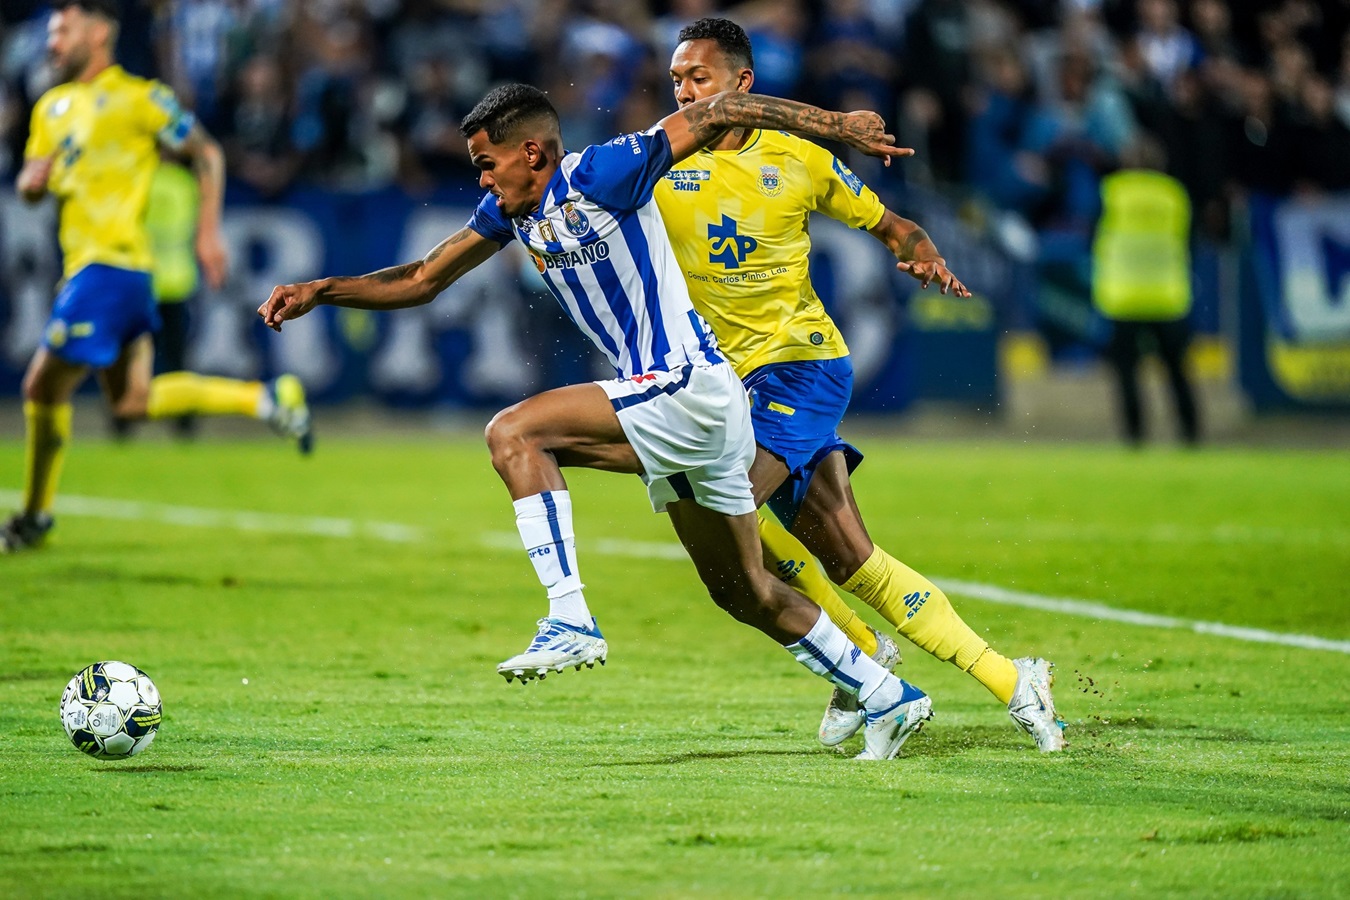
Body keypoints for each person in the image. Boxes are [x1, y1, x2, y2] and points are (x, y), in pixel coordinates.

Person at [260, 82, 934, 760]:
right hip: (691, 410)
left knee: (514, 432)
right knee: (744, 590)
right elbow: (422, 279)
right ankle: (886, 695)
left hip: (686, 385)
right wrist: (322, 290)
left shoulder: (602, 173)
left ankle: (569, 615)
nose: (483, 180)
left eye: (487, 164)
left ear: (532, 152)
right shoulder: (510, 212)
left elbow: (722, 109)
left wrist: (835, 124)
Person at [654, 18, 1066, 752]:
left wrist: (922, 250)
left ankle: (861, 664)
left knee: (725, 510)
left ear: (742, 84)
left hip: (800, 365)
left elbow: (894, 225)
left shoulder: (798, 159)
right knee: (853, 559)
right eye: (677, 79)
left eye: (699, 78)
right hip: (727, 384)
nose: (685, 92)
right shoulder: (659, 160)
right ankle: (1012, 678)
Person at [3, 0, 313, 554]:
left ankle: (33, 516)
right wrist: (31, 182)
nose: (52, 43)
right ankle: (265, 400)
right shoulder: (50, 106)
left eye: (63, 30)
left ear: (99, 33)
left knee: (40, 387)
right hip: (92, 270)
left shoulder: (140, 98)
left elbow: (207, 153)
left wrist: (208, 233)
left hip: (111, 266)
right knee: (131, 401)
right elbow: (32, 182)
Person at [1092, 144, 1200, 446]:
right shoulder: (1174, 194)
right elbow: (1189, 238)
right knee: (1177, 370)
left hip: (1123, 295)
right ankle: (1190, 432)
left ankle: (1134, 435)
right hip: (1167, 295)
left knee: (1126, 370)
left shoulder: (1113, 191)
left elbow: (1093, 233)